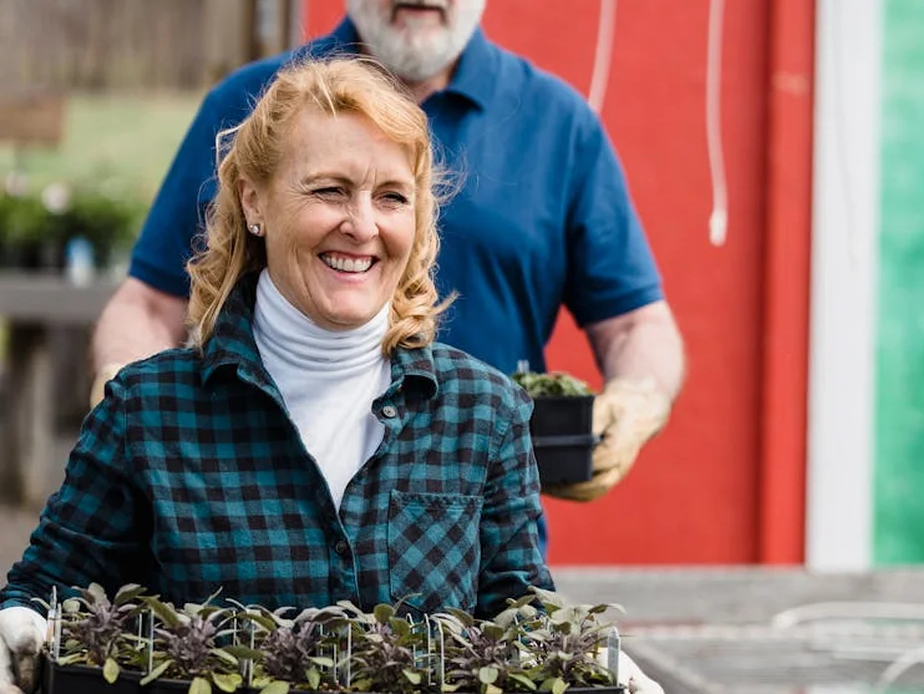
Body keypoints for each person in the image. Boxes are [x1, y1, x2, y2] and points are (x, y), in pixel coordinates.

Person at [0, 58, 662, 694]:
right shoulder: (149, 411)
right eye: (330, 190)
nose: (363, 225)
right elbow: (41, 591)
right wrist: (15, 629)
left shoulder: (484, 413)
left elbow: (518, 611)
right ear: (254, 201)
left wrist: (588, 663)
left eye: (392, 197)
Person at [90, 0, 684, 510]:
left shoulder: (559, 126)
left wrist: (637, 401)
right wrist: (124, 393)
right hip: (254, 522)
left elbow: (635, 324)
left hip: (476, 537)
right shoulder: (253, 108)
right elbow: (151, 302)